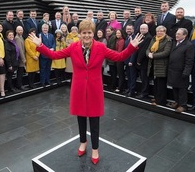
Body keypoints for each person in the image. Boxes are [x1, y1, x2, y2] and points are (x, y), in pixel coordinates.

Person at [27, 19, 143, 165]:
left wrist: (131, 47)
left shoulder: (100, 47)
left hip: (95, 89)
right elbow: (55, 55)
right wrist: (41, 46)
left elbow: (118, 57)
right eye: (84, 33)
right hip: (78, 88)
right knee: (81, 117)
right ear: (80, 34)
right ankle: (83, 141)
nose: (87, 35)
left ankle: (95, 148)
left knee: (94, 120)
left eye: (89, 33)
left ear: (93, 33)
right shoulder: (73, 47)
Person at [167, 28, 195, 113]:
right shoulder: (174, 43)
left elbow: (189, 61)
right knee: (174, 87)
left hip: (181, 71)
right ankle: (177, 102)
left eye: (179, 34)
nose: (176, 35)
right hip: (173, 70)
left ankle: (183, 105)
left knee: (182, 90)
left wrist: (186, 72)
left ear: (184, 35)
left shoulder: (189, 45)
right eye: (176, 34)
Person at [146, 25, 172, 106]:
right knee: (156, 83)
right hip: (153, 64)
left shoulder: (168, 40)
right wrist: (148, 54)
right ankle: (157, 97)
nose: (159, 33)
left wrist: (153, 56)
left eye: (161, 31)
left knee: (161, 84)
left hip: (162, 65)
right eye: (158, 31)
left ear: (165, 32)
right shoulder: (154, 39)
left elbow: (166, 52)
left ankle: (161, 101)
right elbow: (148, 49)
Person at [135, 24, 152, 99]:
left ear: (147, 29)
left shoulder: (148, 37)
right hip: (140, 60)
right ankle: (143, 91)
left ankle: (145, 93)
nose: (142, 30)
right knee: (142, 78)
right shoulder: (141, 36)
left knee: (144, 78)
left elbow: (144, 50)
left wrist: (139, 60)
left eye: (144, 29)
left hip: (144, 62)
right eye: (141, 28)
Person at [123, 25, 137, 97]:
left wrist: (131, 61)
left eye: (130, 29)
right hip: (126, 60)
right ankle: (129, 88)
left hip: (131, 61)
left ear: (133, 30)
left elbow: (134, 51)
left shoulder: (134, 38)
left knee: (132, 76)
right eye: (127, 29)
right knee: (128, 76)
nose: (128, 30)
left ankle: (132, 91)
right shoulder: (127, 38)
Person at [14, 25, 27, 90]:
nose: (20, 31)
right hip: (20, 59)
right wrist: (23, 59)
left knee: (21, 72)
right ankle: (19, 85)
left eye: (21, 30)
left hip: (22, 57)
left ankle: (20, 84)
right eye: (19, 30)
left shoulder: (21, 37)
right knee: (20, 73)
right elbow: (20, 49)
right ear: (16, 31)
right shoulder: (17, 38)